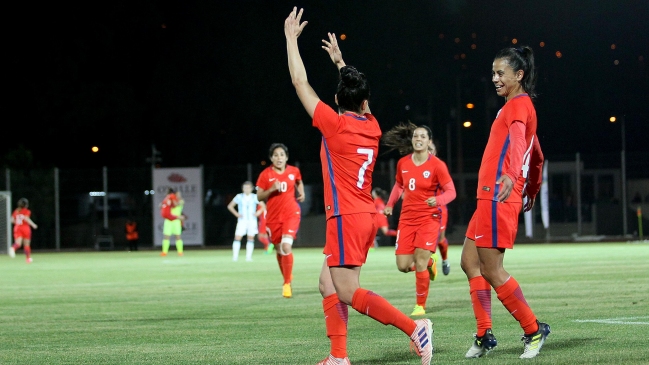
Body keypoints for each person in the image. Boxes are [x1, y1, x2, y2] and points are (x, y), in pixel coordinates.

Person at [284, 7, 433, 365]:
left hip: (347, 217)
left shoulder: (334, 125)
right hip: (362, 214)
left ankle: (415, 329)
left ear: (337, 101)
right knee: (327, 285)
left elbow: (299, 83)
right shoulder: (372, 125)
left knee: (347, 291)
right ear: (364, 102)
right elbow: (357, 92)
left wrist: (291, 40)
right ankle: (338, 357)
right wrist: (340, 63)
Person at [460, 45, 548, 359]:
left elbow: (519, 141)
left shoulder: (518, 106)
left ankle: (533, 329)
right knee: (470, 263)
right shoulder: (515, 105)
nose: (495, 78)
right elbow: (536, 155)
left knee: (493, 270)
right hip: (491, 195)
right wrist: (533, 188)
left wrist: (512, 175)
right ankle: (484, 334)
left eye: (501, 73)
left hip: (499, 195)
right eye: (494, 72)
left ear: (519, 75)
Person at [382, 122, 457, 317]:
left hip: (429, 218)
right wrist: (390, 204)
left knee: (420, 263)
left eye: (423, 136)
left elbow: (451, 192)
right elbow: (399, 185)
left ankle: (419, 305)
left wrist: (438, 200)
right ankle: (430, 264)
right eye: (416, 136)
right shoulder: (403, 163)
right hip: (407, 219)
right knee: (403, 266)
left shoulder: (437, 165)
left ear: (429, 141)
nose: (418, 139)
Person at [256, 143, 305, 298]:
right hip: (273, 217)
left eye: (282, 155)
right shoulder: (265, 175)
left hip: (291, 213)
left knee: (286, 246)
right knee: (278, 249)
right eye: (276, 155)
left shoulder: (293, 170)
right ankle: (287, 275)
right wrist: (271, 189)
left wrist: (301, 193)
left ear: (286, 157)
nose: (279, 158)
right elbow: (259, 196)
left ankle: (286, 284)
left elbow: (298, 180)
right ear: (271, 158)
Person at [227, 181, 266, 262]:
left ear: (251, 189)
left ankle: (248, 257)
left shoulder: (254, 197)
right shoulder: (239, 197)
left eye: (248, 188)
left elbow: (263, 206)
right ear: (243, 189)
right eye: (245, 188)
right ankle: (235, 257)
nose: (247, 190)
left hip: (252, 221)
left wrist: (258, 213)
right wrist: (237, 214)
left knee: (250, 238)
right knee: (238, 237)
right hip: (242, 220)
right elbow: (230, 206)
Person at [430, 142, 451, 275]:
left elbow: (449, 190)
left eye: (431, 149)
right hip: (421, 209)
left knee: (439, 240)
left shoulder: (439, 166)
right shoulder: (414, 165)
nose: (428, 151)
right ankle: (429, 263)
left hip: (439, 209)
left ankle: (444, 259)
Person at [10, 198, 38, 263]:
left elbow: (12, 220)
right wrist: (33, 225)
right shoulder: (26, 211)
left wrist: (17, 223)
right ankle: (28, 258)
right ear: (26, 205)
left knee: (18, 243)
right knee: (27, 244)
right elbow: (26, 218)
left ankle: (13, 248)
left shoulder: (16, 211)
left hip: (17, 228)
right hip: (25, 228)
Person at [160, 188, 185, 256]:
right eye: (177, 194)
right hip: (169, 220)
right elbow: (163, 206)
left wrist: (170, 199)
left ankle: (180, 252)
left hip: (176, 220)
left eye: (179, 194)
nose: (179, 195)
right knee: (166, 237)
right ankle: (164, 252)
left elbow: (176, 204)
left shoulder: (181, 201)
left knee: (178, 237)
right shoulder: (170, 200)